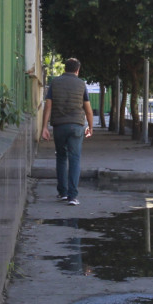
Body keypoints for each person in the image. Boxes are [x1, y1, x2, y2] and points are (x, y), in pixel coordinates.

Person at [40, 57, 94, 206]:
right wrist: (90, 126)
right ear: (77, 70)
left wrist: (44, 127)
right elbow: (88, 109)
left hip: (59, 126)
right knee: (75, 159)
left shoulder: (55, 82)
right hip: (77, 126)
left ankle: (62, 193)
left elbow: (48, 106)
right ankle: (72, 196)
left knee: (61, 157)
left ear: (65, 68)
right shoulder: (81, 84)